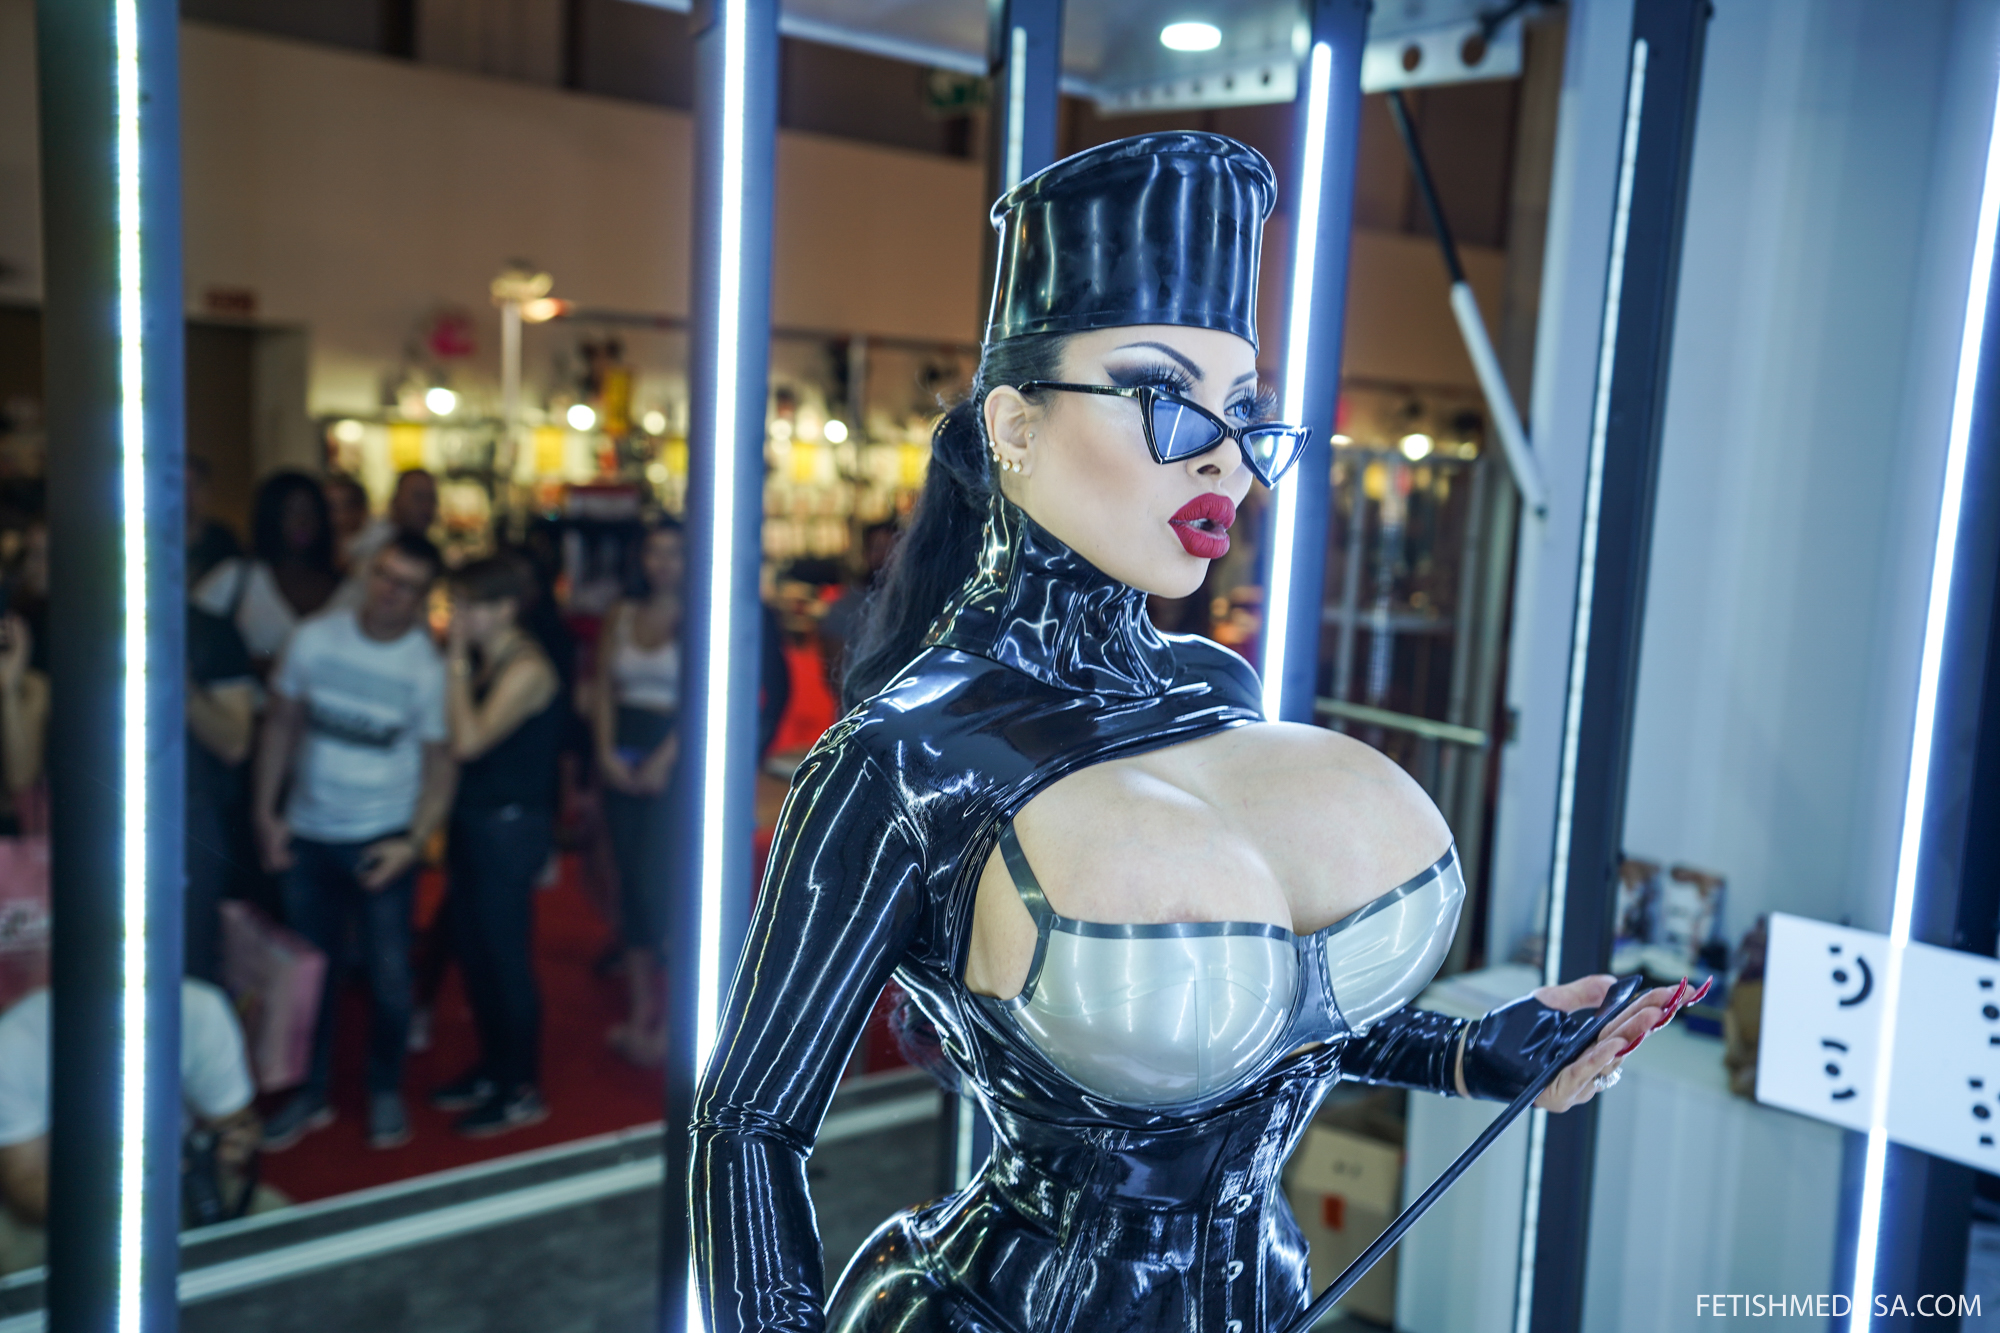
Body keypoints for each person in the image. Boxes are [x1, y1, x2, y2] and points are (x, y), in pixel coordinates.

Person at [689, 134, 1680, 1333]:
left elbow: (1268, 1021)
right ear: (1012, 424)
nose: (1221, 454)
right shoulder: (900, 757)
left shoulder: (1213, 685)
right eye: (1160, 395)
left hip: (1269, 1299)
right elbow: (747, 1126)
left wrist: (1479, 1053)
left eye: (1242, 409)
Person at [253, 533, 456, 1151]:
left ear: (422, 598)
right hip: (309, 830)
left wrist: (413, 843)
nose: (391, 592)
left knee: (390, 978)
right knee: (309, 977)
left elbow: (441, 767)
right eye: (386, 576)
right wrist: (266, 813)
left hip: (381, 836)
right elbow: (281, 726)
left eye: (407, 586)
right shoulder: (315, 638)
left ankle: (384, 1088)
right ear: (370, 572)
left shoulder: (425, 667)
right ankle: (309, 1092)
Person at [0, 980, 261, 1274]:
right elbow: (24, 1183)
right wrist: (120, 1202)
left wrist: (229, 1146)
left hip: (178, 1184)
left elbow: (235, 1120)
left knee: (279, 1231)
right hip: (71, 1197)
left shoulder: (200, 1009)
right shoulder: (15, 1041)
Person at [430, 555, 561, 1137]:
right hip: (478, 821)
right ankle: (495, 1068)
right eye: (456, 603)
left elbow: (468, 741)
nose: (459, 616)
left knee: (504, 957)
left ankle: (521, 1087)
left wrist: (455, 658)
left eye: (470, 605)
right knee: (475, 950)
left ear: (505, 608)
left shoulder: (526, 666)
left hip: (508, 828)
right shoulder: (494, 658)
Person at [593, 520, 684, 1068]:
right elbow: (603, 689)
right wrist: (604, 753)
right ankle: (638, 1012)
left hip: (674, 756)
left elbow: (702, 698)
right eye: (654, 552)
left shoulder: (700, 616)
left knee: (662, 889)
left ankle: (675, 1021)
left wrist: (664, 760)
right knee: (628, 883)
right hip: (622, 747)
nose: (663, 563)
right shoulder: (621, 614)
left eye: (674, 553)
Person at [192, 470, 342, 668]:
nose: (302, 521)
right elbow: (192, 635)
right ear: (271, 516)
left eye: (311, 511)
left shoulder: (350, 586)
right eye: (290, 511)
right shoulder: (236, 576)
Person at [345, 469, 438, 575]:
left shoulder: (422, 547)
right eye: (418, 497)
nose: (426, 506)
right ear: (395, 498)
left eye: (432, 499)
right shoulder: (370, 541)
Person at [186, 454, 244, 586]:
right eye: (180, 486)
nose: (187, 495)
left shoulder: (224, 541)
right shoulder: (149, 541)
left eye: (195, 485)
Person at [323, 472, 371, 572]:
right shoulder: (317, 542)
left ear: (361, 510)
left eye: (343, 507)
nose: (334, 515)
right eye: (327, 507)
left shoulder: (381, 545)